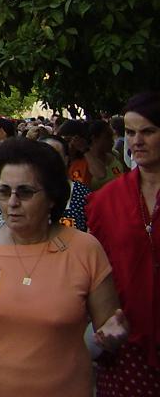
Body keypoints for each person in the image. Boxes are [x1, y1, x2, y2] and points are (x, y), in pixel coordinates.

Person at [0, 138, 129, 397]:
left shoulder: (84, 249)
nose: (12, 202)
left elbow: (110, 325)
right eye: (4, 191)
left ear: (51, 197)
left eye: (25, 192)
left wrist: (115, 334)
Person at [87, 92, 160, 394]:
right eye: (130, 133)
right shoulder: (106, 200)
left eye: (148, 131)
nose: (136, 141)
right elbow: (93, 269)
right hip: (126, 344)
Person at [83, 119, 126, 191]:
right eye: (107, 137)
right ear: (94, 139)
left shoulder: (115, 155)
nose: (112, 141)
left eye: (112, 136)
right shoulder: (84, 161)